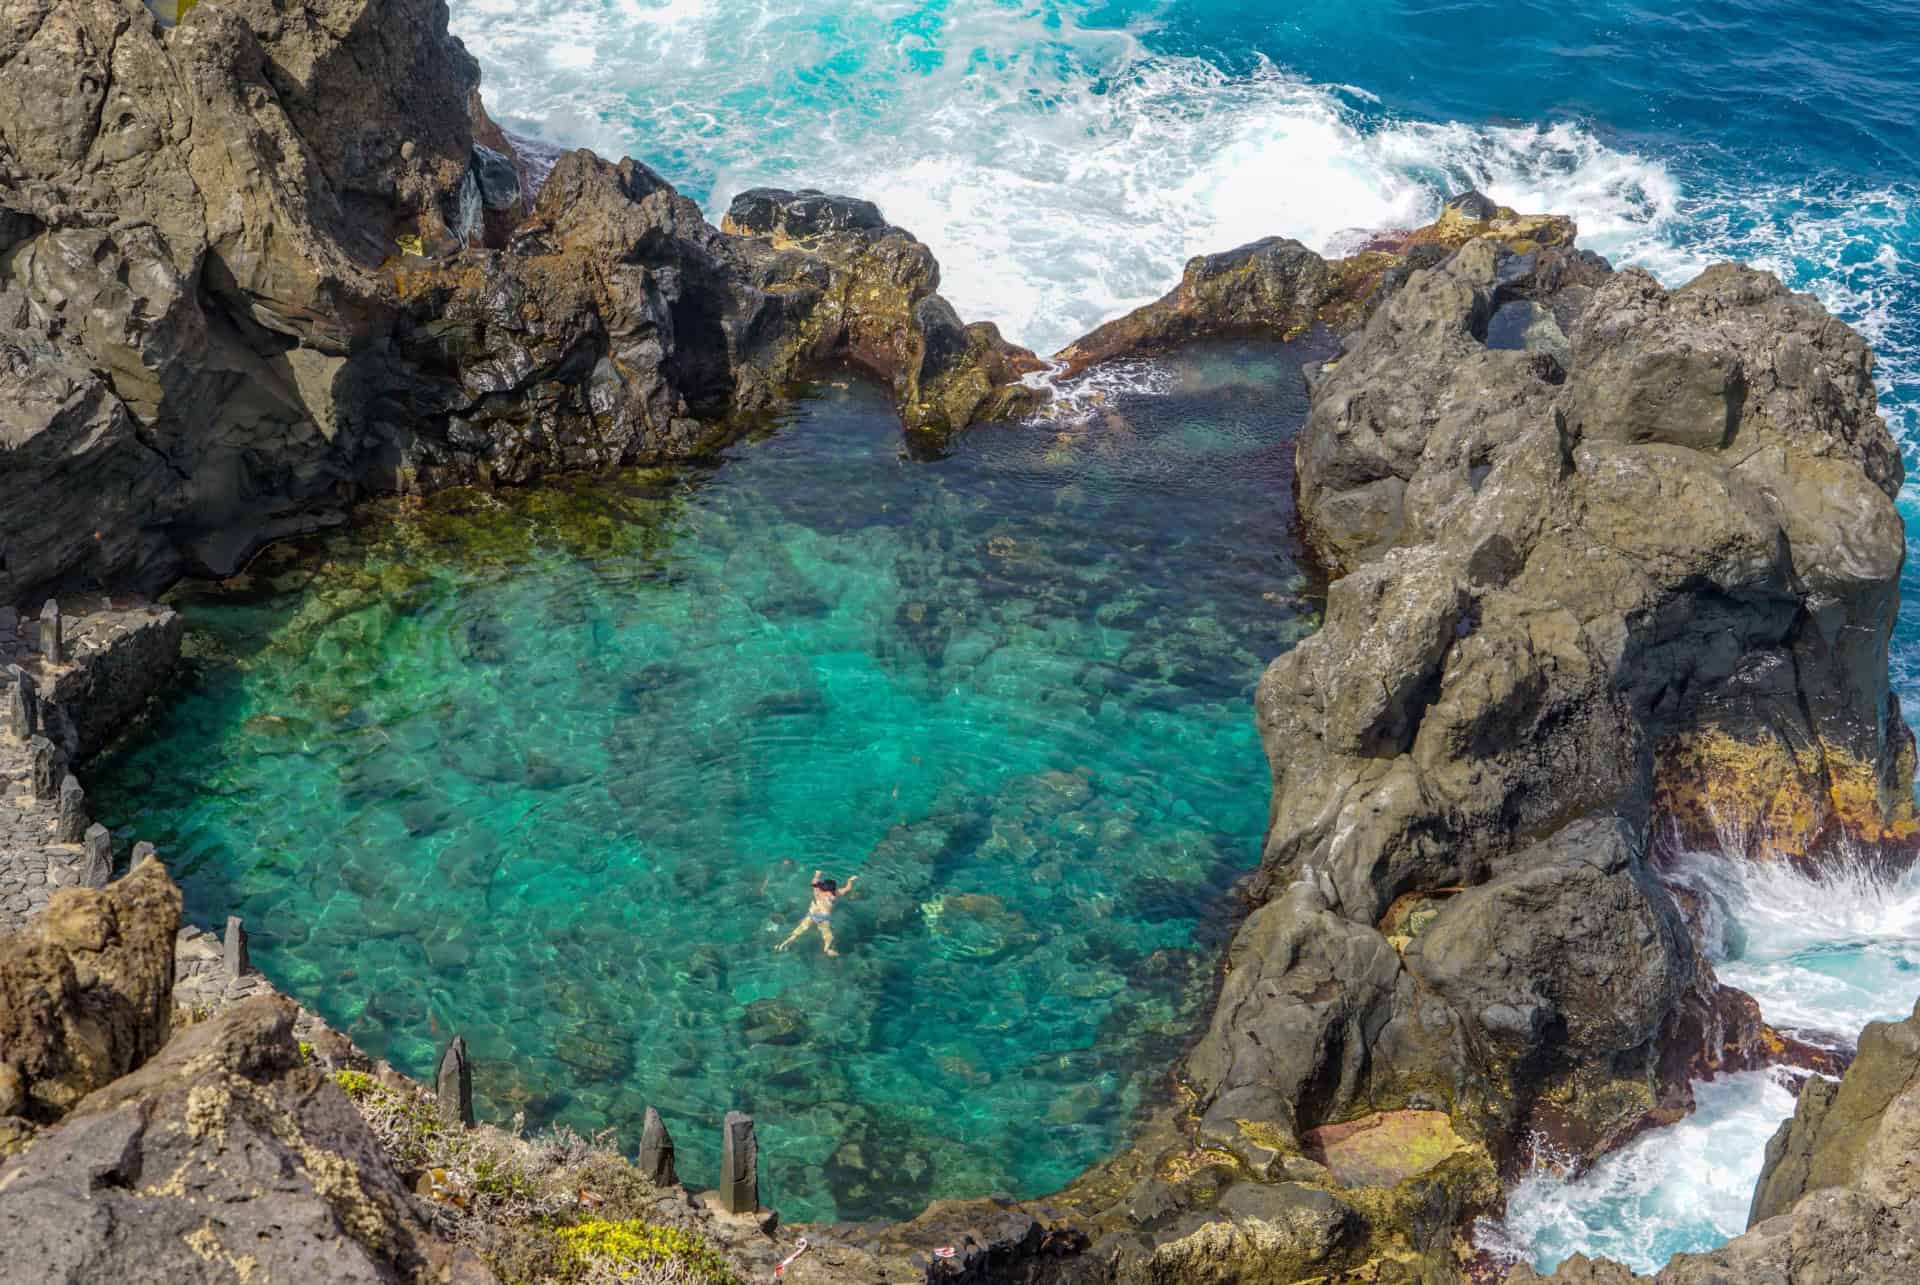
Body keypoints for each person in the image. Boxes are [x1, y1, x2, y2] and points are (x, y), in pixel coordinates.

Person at [776, 869, 857, 957]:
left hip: (812, 915)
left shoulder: (817, 891)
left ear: (823, 887)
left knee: (798, 931)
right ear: (833, 888)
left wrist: (817, 874)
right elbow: (848, 888)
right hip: (823, 917)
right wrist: (850, 880)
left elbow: (814, 881)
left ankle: (782, 945)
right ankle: (826, 949)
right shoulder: (835, 894)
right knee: (828, 937)